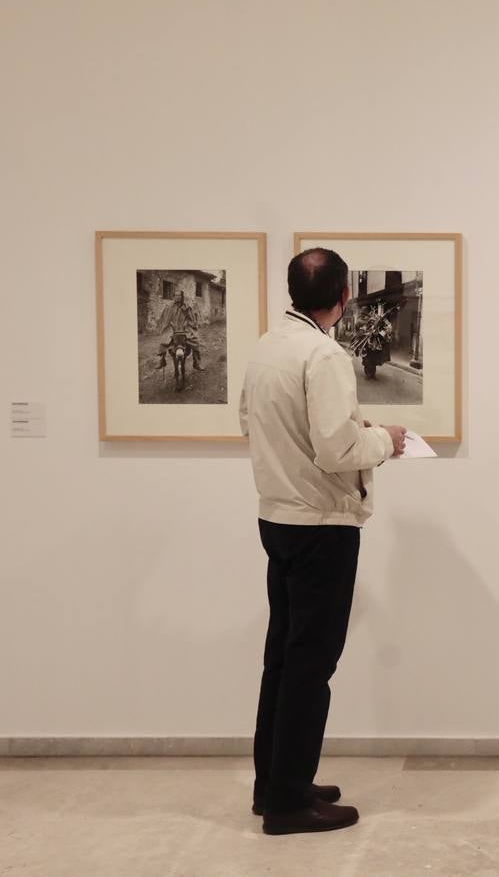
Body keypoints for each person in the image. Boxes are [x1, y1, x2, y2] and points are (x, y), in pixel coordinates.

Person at [239, 248, 407, 835]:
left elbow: (249, 424)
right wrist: (384, 440)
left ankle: (275, 783)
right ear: (342, 297)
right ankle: (288, 804)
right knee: (311, 664)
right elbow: (337, 450)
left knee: (282, 658)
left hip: (277, 517)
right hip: (321, 524)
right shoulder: (324, 354)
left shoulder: (267, 348)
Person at [155, 289, 204, 371]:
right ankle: (162, 360)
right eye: (176, 295)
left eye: (179, 295)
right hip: (172, 328)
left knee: (195, 340)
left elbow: (192, 319)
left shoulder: (187, 307)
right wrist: (167, 326)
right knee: (164, 339)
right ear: (174, 297)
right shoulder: (169, 307)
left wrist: (188, 324)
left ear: (182, 297)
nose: (178, 297)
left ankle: (196, 362)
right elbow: (165, 319)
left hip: (184, 328)